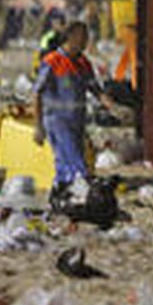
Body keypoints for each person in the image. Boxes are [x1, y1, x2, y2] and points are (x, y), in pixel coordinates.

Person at [32, 21, 104, 191]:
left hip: (77, 121)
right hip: (57, 121)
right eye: (83, 38)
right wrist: (38, 126)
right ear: (71, 38)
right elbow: (37, 93)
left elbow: (95, 89)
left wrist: (113, 106)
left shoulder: (83, 63)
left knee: (64, 164)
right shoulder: (52, 61)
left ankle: (61, 193)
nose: (86, 42)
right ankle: (82, 193)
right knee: (76, 164)